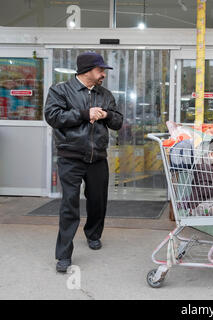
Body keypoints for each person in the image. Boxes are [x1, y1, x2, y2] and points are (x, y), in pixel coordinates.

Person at [44, 52, 123, 273]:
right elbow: (53, 117)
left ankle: (93, 234)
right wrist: (83, 113)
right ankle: (63, 255)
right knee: (69, 205)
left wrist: (106, 115)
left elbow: (118, 121)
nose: (103, 75)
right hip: (70, 157)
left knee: (98, 201)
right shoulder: (60, 91)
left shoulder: (105, 95)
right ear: (87, 70)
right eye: (100, 71)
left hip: (97, 157)